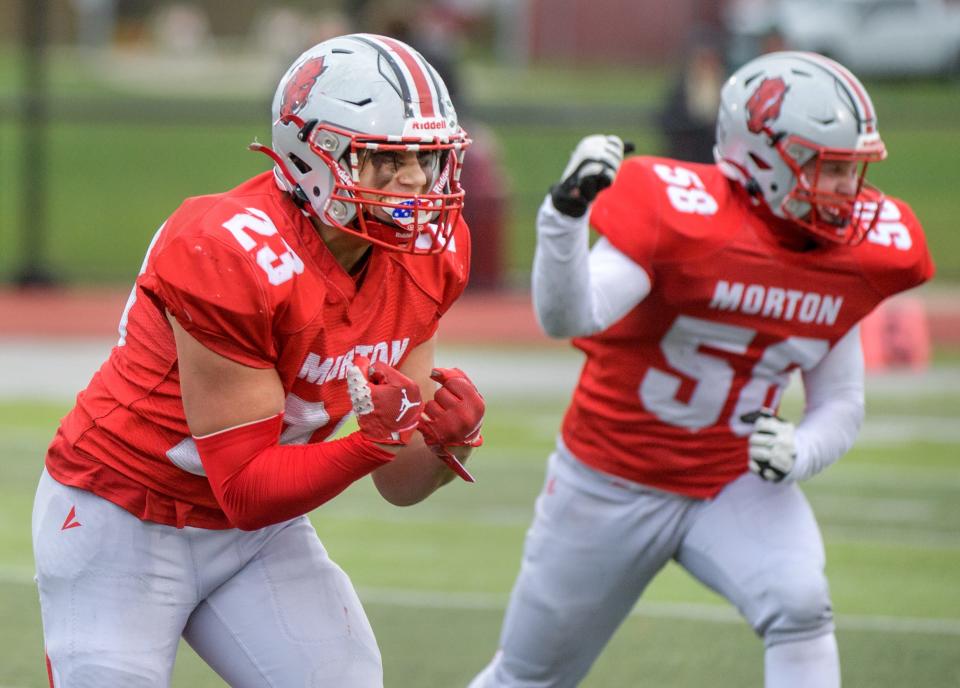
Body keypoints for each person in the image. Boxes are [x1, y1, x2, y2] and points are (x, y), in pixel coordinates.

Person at [32, 33, 485, 687]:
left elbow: (400, 480)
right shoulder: (228, 250)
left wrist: (449, 445)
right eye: (386, 159)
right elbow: (244, 487)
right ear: (315, 156)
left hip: (255, 535)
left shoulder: (428, 255)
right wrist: (370, 446)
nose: (415, 180)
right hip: (122, 511)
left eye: (428, 156)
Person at [470, 51, 934, 688]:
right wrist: (564, 218)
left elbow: (842, 400)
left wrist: (800, 450)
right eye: (827, 170)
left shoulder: (852, 252)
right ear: (764, 157)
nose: (846, 194)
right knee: (529, 677)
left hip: (731, 478)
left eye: (852, 171)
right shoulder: (679, 213)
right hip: (609, 481)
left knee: (800, 605)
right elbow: (570, 315)